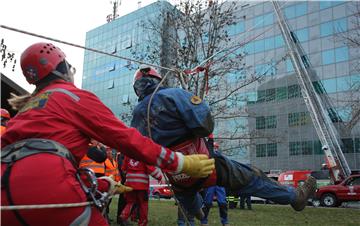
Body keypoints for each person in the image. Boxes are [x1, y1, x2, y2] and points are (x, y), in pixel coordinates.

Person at [1, 42, 214, 226]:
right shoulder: (72, 97)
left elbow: (24, 166)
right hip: (51, 186)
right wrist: (179, 163)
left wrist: (104, 184)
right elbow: (127, 139)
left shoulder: (26, 110)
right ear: (63, 68)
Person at [130, 66, 316, 219]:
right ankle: (294, 197)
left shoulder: (137, 115)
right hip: (202, 164)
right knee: (252, 177)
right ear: (157, 79)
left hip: (175, 173)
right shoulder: (172, 95)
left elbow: (139, 149)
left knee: (186, 193)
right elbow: (204, 124)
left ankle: (197, 211)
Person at [120, 156, 163, 226]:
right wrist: (159, 177)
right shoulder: (143, 154)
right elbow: (151, 169)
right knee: (143, 204)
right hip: (142, 185)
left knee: (130, 202)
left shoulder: (127, 154)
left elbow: (123, 169)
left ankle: (123, 216)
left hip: (130, 184)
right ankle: (142, 223)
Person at [200, 142, 228, 226]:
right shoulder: (207, 157)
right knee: (207, 202)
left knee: (222, 202)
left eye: (216, 147)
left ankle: (225, 221)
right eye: (214, 147)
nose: (215, 149)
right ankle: (204, 221)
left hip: (219, 183)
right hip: (210, 182)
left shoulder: (221, 158)